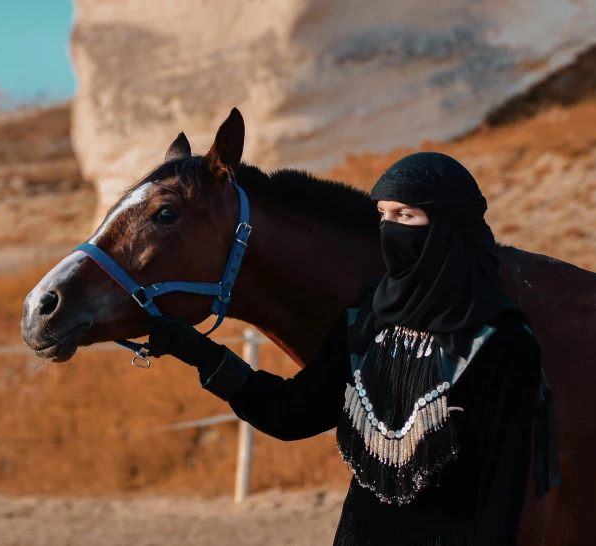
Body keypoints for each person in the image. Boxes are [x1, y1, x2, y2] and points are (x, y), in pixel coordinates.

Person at [149, 152, 554, 545]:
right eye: (383, 215)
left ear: (447, 226)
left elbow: (503, 495)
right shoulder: (368, 314)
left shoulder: (500, 342)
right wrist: (201, 354)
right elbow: (293, 413)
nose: (390, 229)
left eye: (405, 216)